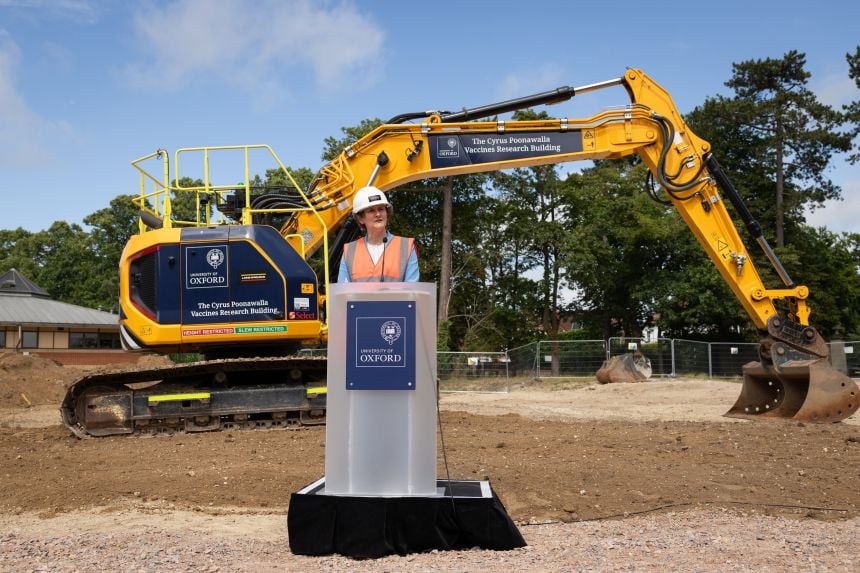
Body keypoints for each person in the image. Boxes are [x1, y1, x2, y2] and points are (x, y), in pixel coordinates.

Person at [338, 186, 419, 283]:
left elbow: (413, 292)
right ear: (360, 219)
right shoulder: (349, 251)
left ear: (386, 213)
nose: (378, 214)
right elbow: (343, 293)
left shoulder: (406, 246)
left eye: (381, 209)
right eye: (371, 210)